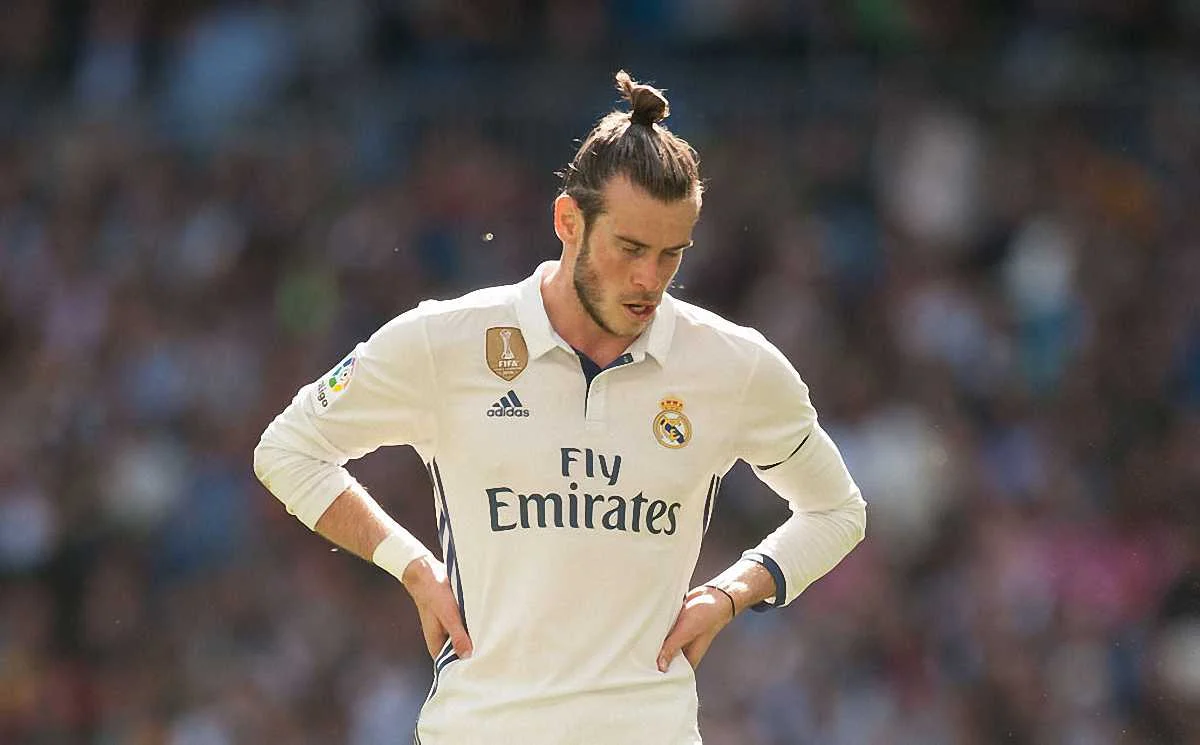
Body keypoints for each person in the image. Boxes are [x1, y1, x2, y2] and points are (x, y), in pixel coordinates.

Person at [253, 71, 867, 745]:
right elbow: (287, 450)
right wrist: (412, 565)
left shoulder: (734, 365)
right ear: (568, 222)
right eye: (630, 248)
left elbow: (838, 511)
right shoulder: (446, 340)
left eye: (671, 255)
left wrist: (733, 592)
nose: (649, 279)